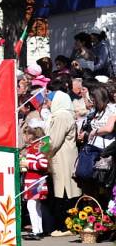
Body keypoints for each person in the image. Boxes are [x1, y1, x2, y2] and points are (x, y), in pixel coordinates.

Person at [46, 85, 81, 236]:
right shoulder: (65, 114)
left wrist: (42, 151)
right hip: (64, 156)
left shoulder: (61, 116)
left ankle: (64, 227)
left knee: (63, 191)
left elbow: (54, 141)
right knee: (66, 191)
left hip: (62, 158)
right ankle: (67, 225)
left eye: (49, 100)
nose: (47, 103)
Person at [21, 121, 49, 240]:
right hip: (34, 181)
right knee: (36, 206)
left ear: (30, 136)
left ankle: (36, 231)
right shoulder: (34, 147)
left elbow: (43, 164)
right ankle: (39, 230)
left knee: (31, 205)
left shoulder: (36, 148)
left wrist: (28, 164)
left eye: (24, 135)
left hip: (35, 181)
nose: (23, 137)